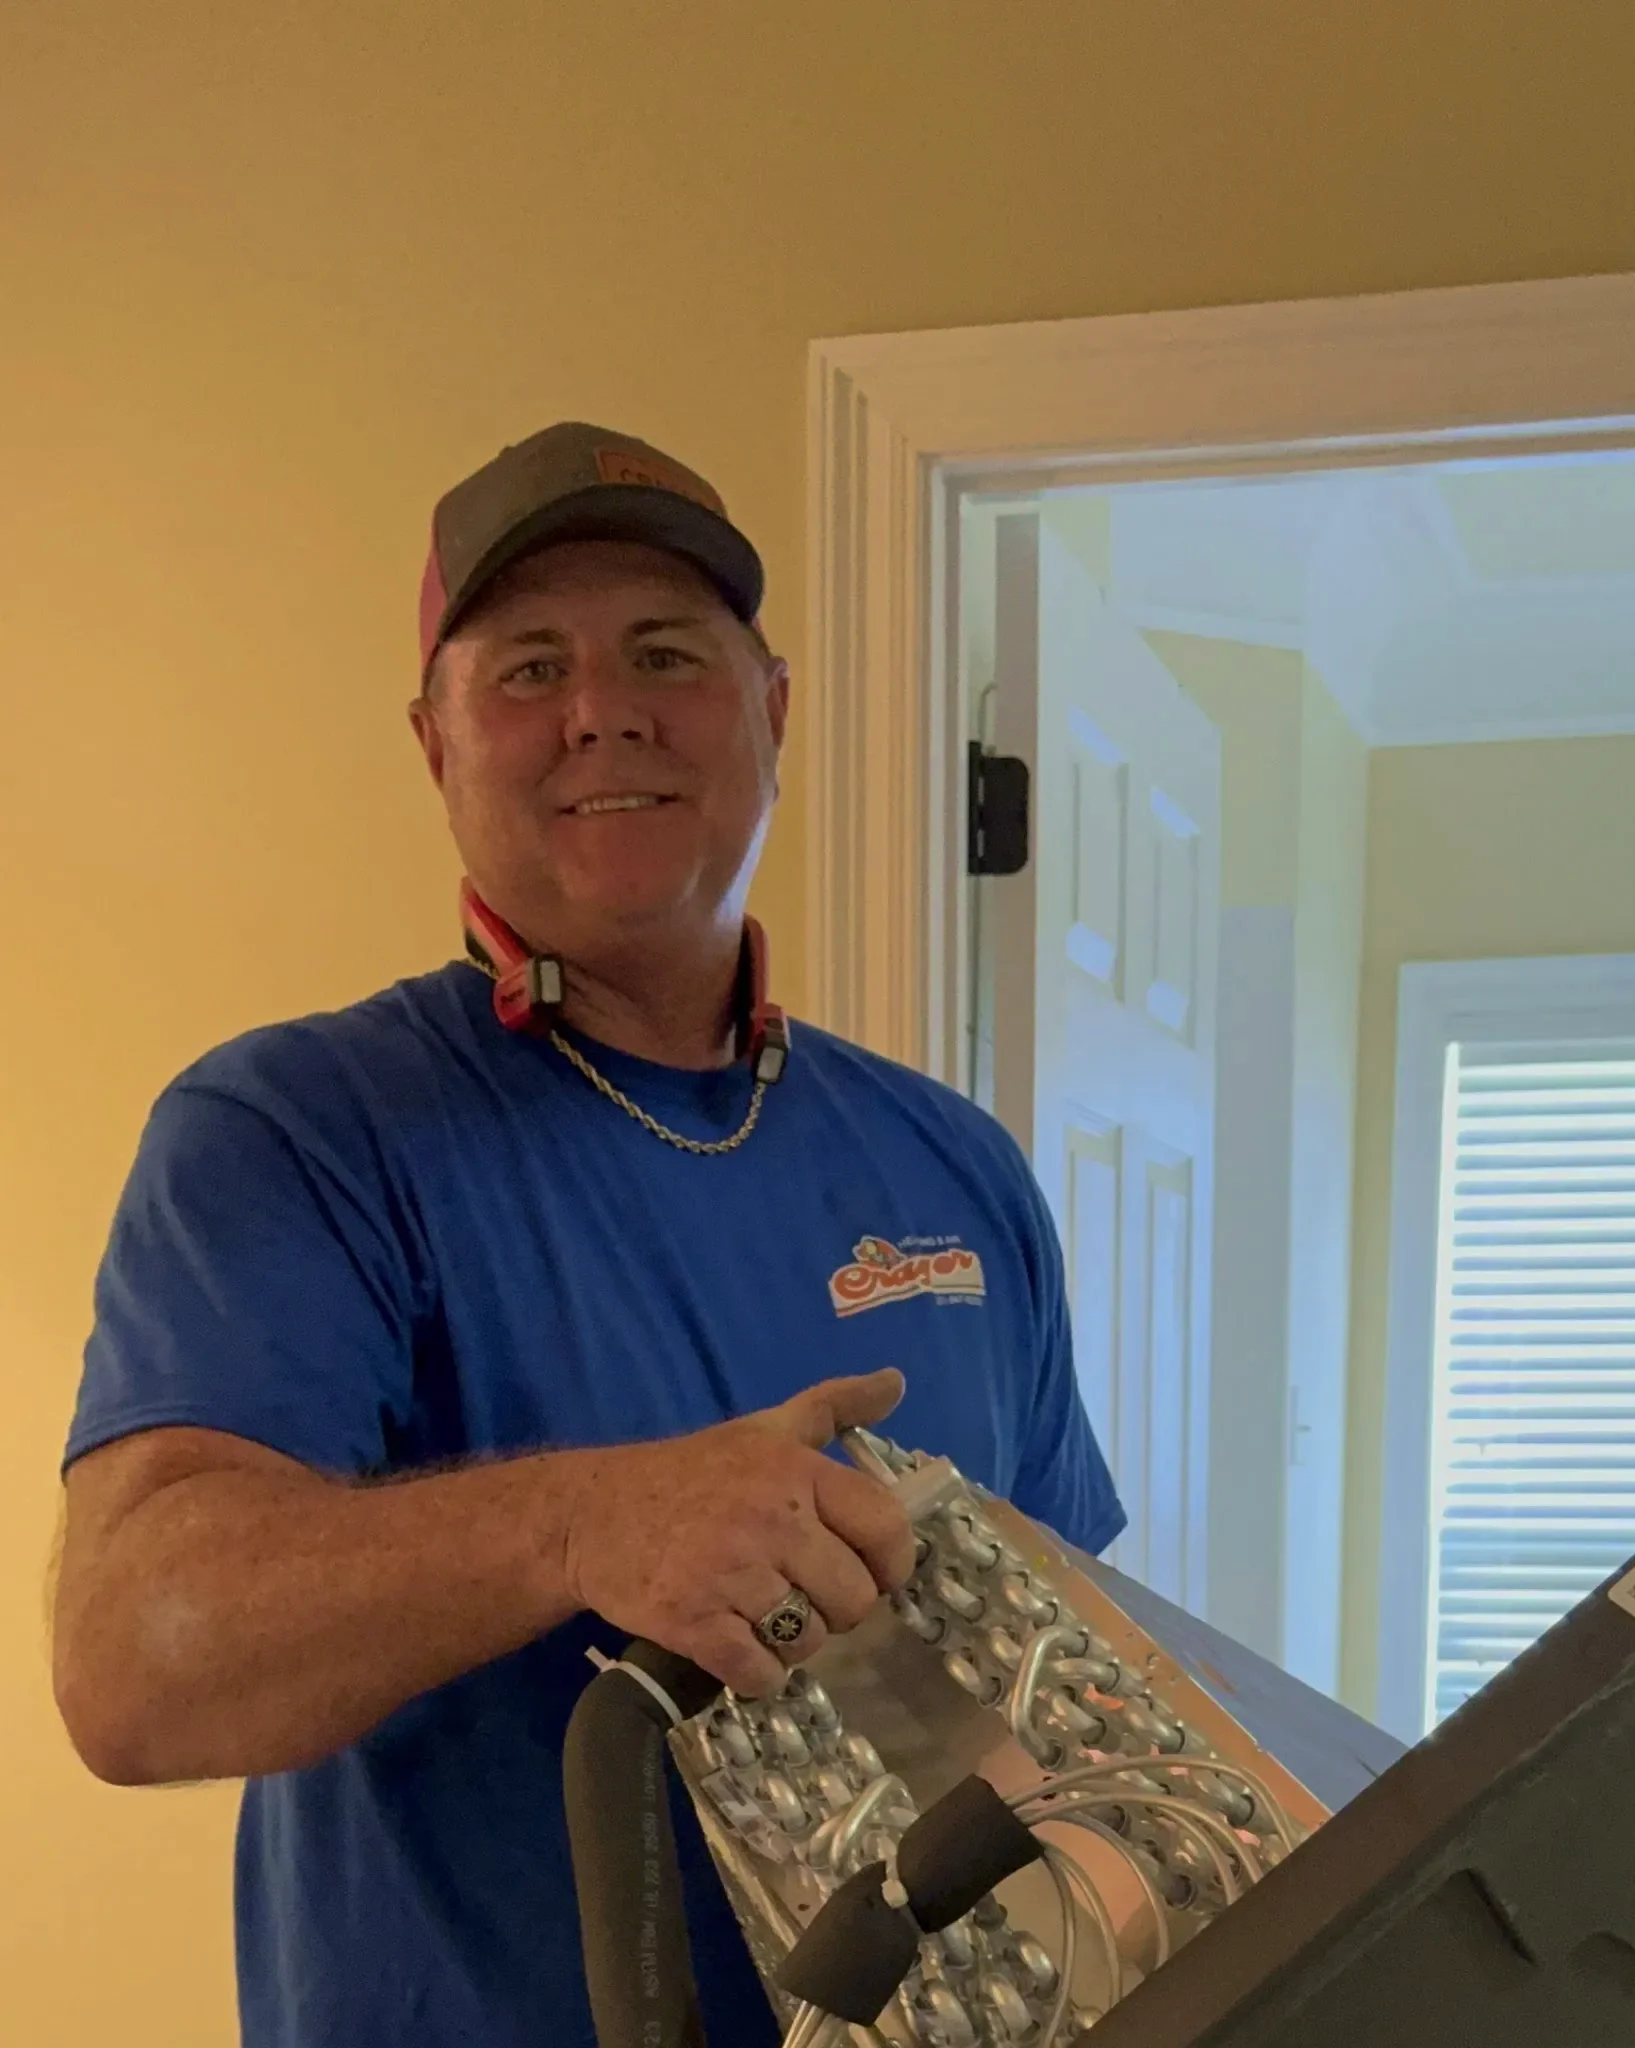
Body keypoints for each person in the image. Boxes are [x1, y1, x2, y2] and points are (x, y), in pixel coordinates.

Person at [50, 421, 1124, 2048]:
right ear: (436, 745)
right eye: (531, 667)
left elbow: (1077, 1709)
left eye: (666, 653)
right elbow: (134, 1667)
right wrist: (582, 1527)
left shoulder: (955, 1168)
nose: (604, 709)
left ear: (774, 712)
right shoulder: (293, 1134)